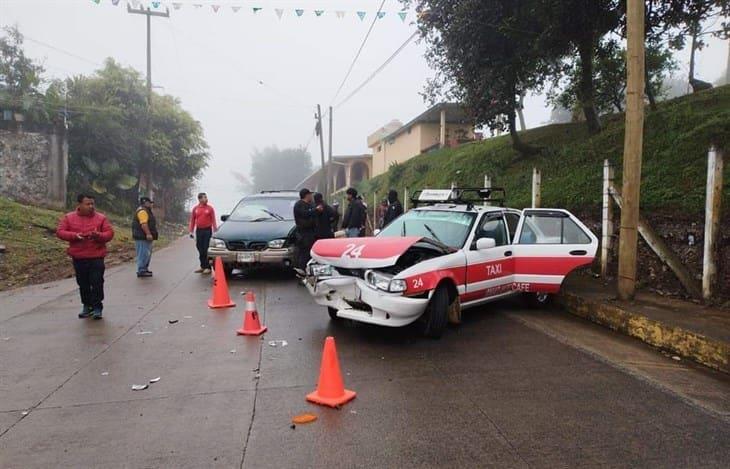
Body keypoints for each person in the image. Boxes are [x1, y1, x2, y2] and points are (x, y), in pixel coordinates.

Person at [56, 193, 114, 320]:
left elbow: (109, 233)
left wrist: (98, 236)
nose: (91, 206)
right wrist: (74, 236)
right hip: (79, 257)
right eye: (88, 204)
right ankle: (87, 305)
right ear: (79, 205)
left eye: (92, 203)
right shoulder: (69, 218)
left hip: (96, 256)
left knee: (97, 281)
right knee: (83, 283)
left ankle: (97, 307)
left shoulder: (101, 218)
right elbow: (60, 232)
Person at [293, 188, 322, 273]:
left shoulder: (311, 205)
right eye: (310, 195)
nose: (311, 196)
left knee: (311, 254)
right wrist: (315, 210)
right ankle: (302, 273)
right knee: (304, 254)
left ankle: (310, 272)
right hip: (304, 234)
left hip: (312, 233)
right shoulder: (299, 205)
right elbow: (305, 214)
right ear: (306, 195)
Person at [189, 192, 217, 274]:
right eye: (204, 197)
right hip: (199, 230)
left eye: (206, 197)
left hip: (207, 230)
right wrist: (191, 231)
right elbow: (193, 220)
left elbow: (213, 220)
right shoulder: (195, 209)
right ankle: (202, 266)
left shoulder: (210, 208)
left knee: (205, 248)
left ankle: (208, 267)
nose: (206, 199)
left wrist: (215, 230)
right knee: (199, 247)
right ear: (200, 199)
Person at [131, 197, 158, 278]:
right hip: (142, 237)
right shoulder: (142, 211)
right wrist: (148, 234)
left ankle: (144, 269)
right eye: (150, 203)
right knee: (143, 253)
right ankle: (141, 270)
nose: (151, 204)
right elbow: (144, 224)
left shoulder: (146, 211)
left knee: (146, 254)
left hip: (144, 237)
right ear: (145, 202)